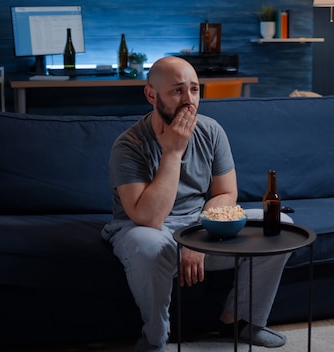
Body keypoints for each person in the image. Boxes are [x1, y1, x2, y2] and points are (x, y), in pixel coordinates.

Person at [101, 56, 290, 352]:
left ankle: (238, 321)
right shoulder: (129, 145)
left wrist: (198, 236)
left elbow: (227, 194)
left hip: (200, 224)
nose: (189, 101)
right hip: (147, 231)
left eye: (194, 90)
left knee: (278, 225)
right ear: (151, 95)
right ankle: (155, 339)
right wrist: (173, 152)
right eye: (177, 91)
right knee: (147, 245)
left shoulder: (211, 130)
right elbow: (148, 217)